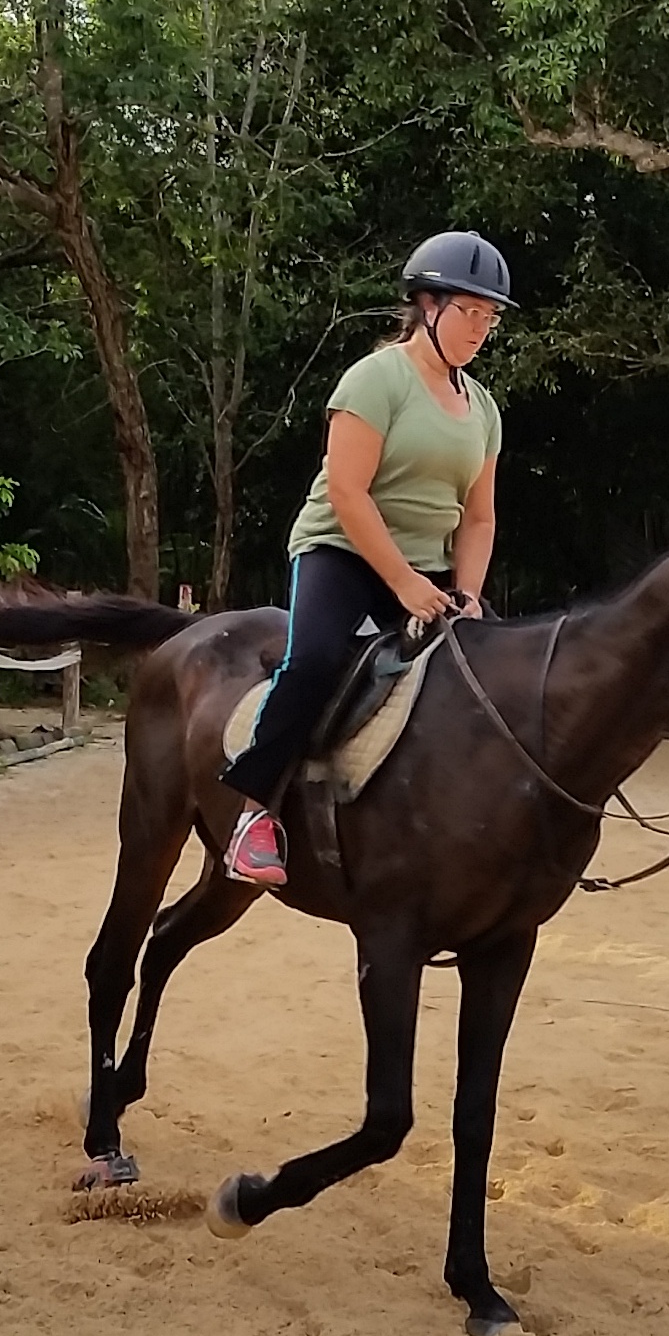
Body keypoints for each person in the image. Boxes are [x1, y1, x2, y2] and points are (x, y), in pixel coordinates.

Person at [221, 230, 513, 886]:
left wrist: (466, 592)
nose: (481, 328)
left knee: (490, 670)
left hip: (431, 569)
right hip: (343, 550)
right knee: (316, 660)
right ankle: (253, 818)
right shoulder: (376, 380)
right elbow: (349, 493)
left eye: (490, 317)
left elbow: (480, 514)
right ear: (427, 305)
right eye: (470, 311)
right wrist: (406, 584)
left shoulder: (484, 409)